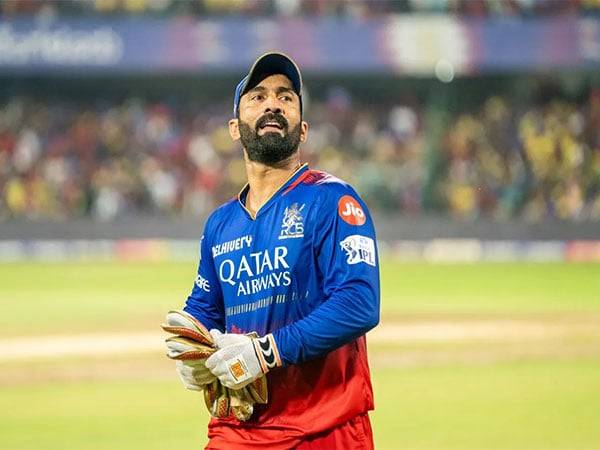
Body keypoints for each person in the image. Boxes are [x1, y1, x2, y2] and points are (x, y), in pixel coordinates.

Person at [174, 52, 380, 450]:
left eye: (286, 97)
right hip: (238, 430)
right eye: (258, 97)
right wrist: (190, 348)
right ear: (235, 128)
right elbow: (206, 307)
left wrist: (267, 352)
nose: (272, 104)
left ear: (302, 130)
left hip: (324, 427)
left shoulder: (333, 200)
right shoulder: (220, 224)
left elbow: (359, 303)